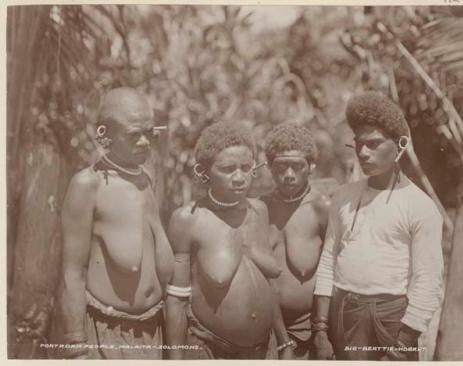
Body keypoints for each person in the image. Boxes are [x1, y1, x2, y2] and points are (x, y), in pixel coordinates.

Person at [313, 91, 444, 361]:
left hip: (392, 321)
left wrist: (404, 342)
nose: (363, 152)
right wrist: (321, 330)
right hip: (344, 314)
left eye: (373, 144)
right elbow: (328, 261)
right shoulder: (343, 197)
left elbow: (428, 281)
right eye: (358, 144)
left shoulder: (420, 206)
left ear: (400, 144)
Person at [57, 87, 174, 359]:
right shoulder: (87, 185)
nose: (145, 142)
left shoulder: (145, 179)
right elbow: (71, 273)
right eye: (134, 134)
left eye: (149, 132)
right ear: (103, 135)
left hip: (154, 333)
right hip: (109, 338)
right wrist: (77, 350)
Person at [165, 121, 295, 360]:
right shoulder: (188, 219)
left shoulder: (258, 211)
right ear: (203, 171)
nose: (239, 178)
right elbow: (176, 299)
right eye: (227, 169)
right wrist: (174, 360)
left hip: (263, 349)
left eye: (246, 168)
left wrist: (284, 342)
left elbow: (268, 284)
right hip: (211, 349)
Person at [260, 123, 331, 359]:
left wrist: (323, 333)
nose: (289, 174)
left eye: (297, 166)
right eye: (281, 166)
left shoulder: (321, 209)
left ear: (311, 166)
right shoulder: (261, 208)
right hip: (264, 330)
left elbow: (335, 271)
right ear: (269, 167)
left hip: (310, 332)